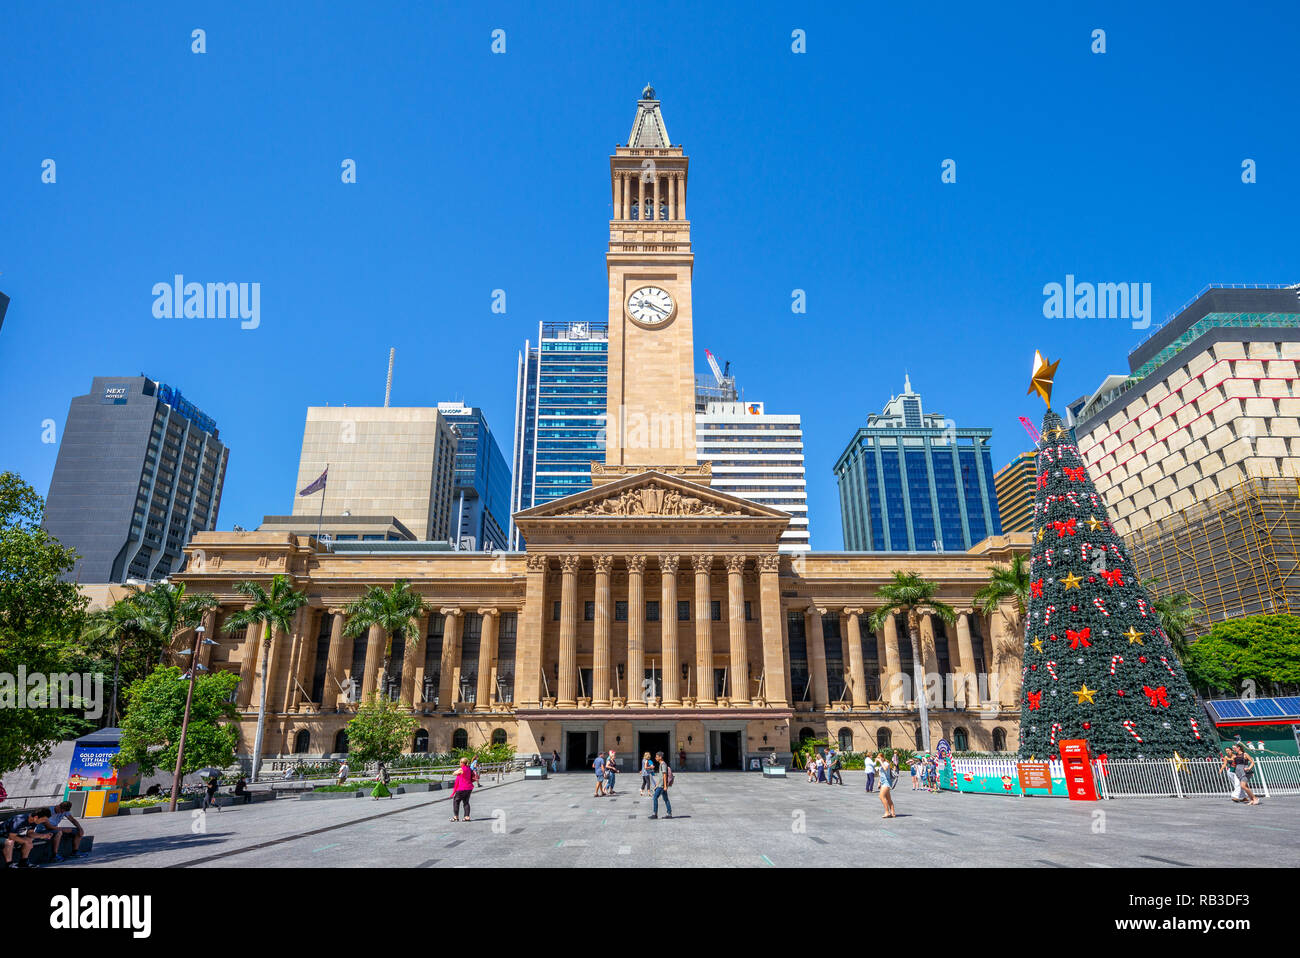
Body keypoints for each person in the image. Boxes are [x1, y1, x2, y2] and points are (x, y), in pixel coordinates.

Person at [648, 751, 673, 819]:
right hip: (660, 785)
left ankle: (655, 814)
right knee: (666, 799)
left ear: (660, 757)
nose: (655, 758)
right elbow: (661, 776)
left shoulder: (663, 764)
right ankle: (669, 813)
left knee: (655, 797)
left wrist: (665, 786)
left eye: (656, 757)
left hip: (662, 786)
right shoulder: (661, 764)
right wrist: (656, 784)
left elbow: (664, 775)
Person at [451, 757, 476, 822]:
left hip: (462, 788)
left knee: (456, 801)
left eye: (460, 762)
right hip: (469, 788)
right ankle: (467, 817)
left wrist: (458, 771)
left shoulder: (461, 769)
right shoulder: (469, 769)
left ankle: (456, 817)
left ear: (462, 763)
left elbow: (454, 773)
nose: (459, 763)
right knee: (466, 802)